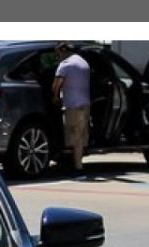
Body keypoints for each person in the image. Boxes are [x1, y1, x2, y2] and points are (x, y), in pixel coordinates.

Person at [52, 42, 91, 175]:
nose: (58, 56)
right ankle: (77, 163)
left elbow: (57, 84)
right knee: (80, 136)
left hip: (72, 106)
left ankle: (77, 167)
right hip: (85, 104)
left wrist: (55, 97)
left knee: (74, 137)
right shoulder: (84, 62)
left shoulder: (65, 64)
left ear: (63, 50)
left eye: (58, 53)